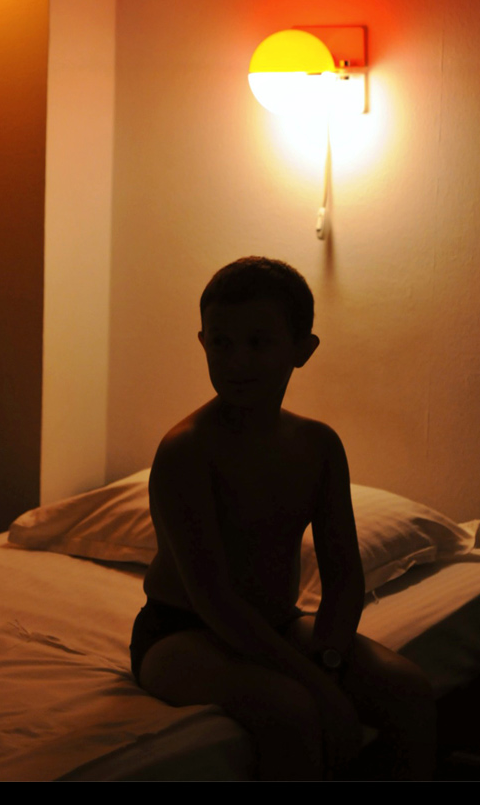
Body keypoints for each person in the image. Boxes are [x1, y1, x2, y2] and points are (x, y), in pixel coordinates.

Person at [130, 257, 436, 781]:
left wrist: (331, 658)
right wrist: (318, 687)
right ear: (202, 343)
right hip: (182, 633)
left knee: (408, 689)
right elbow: (214, 599)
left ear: (302, 349)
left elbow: (343, 573)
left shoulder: (317, 446)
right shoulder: (188, 450)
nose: (237, 360)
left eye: (258, 342)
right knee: (291, 710)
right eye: (221, 343)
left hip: (276, 624)